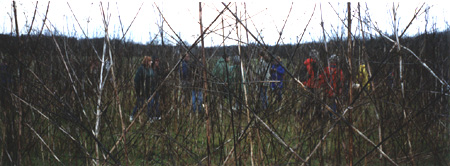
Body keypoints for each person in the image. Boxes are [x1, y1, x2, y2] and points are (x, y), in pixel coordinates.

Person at [130, 56, 154, 122]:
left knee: (151, 103)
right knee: (140, 104)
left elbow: (152, 77)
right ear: (147, 62)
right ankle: (132, 115)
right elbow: (136, 80)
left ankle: (149, 117)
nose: (151, 63)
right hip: (142, 91)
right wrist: (138, 90)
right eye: (149, 61)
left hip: (149, 90)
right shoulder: (141, 69)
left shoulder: (150, 69)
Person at [150, 56, 161, 120]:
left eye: (158, 61)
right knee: (151, 102)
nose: (157, 62)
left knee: (157, 102)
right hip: (151, 88)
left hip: (157, 88)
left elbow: (159, 77)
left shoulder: (158, 69)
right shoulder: (151, 69)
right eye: (156, 61)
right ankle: (150, 116)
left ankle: (157, 115)